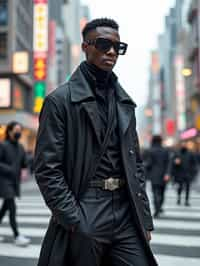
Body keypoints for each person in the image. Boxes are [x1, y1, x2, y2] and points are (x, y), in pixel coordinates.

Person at [34, 18, 157, 266]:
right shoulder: (60, 101)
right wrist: (74, 220)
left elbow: (136, 164)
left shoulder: (124, 103)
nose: (111, 51)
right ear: (85, 47)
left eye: (117, 47)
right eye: (103, 44)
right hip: (85, 204)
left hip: (125, 209)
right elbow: (47, 169)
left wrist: (144, 218)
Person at [0, 121, 30, 246]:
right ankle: (17, 236)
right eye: (16, 130)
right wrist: (11, 169)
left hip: (14, 182)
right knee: (12, 207)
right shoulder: (3, 145)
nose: (18, 132)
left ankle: (17, 235)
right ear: (10, 131)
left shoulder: (21, 147)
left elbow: (24, 163)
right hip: (4, 181)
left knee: (5, 207)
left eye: (20, 130)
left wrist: (25, 167)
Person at [147, 135, 171, 218]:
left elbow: (149, 164)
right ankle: (159, 206)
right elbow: (168, 163)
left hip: (154, 175)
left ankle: (157, 209)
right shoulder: (165, 151)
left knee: (155, 193)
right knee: (162, 192)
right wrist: (167, 174)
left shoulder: (151, 151)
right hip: (164, 175)